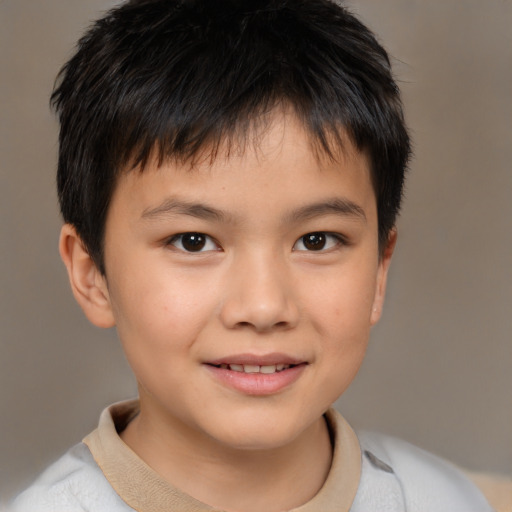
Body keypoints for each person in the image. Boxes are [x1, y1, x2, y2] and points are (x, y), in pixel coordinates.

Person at [11, 0, 494, 510]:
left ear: (378, 269)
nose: (263, 308)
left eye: (317, 240)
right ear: (92, 276)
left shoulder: (451, 500)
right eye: (193, 241)